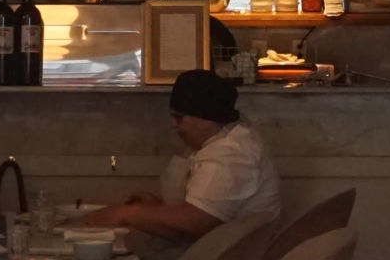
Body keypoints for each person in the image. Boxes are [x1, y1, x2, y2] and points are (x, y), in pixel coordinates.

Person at [85, 69, 283, 241]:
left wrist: (127, 214)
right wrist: (155, 209)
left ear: (206, 118)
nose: (173, 125)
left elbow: (195, 222)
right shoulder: (218, 143)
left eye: (179, 118)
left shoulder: (231, 152)